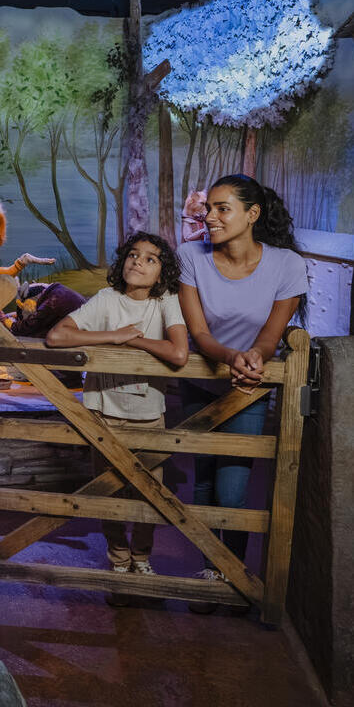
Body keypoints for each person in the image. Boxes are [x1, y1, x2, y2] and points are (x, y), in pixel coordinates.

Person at [177, 174, 308, 609]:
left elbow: (271, 338)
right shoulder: (189, 256)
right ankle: (208, 573)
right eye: (207, 208)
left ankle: (229, 576)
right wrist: (232, 356)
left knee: (233, 487)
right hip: (202, 378)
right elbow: (199, 333)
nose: (208, 217)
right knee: (203, 479)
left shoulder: (287, 265)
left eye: (221, 208)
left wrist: (252, 357)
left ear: (252, 215)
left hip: (250, 384)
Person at [46, 233, 188, 576]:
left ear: (162, 273)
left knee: (150, 493)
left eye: (150, 259)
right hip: (103, 415)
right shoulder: (106, 300)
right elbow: (56, 337)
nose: (138, 261)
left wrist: (137, 341)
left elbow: (179, 353)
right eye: (133, 255)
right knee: (108, 493)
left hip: (149, 415)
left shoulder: (166, 300)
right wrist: (113, 336)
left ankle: (141, 557)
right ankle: (119, 560)